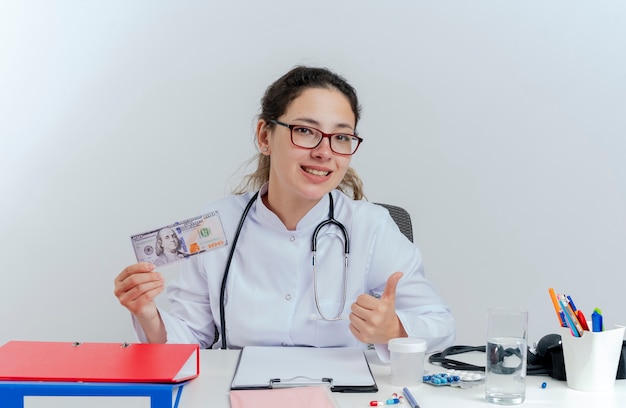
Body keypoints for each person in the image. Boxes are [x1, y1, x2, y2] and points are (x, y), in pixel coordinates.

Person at [114, 66, 455, 360]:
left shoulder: (370, 226)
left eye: (341, 137)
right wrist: (148, 315)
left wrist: (393, 328)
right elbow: (190, 336)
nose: (324, 152)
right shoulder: (215, 223)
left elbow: (440, 323)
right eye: (305, 131)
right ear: (265, 136)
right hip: (241, 393)